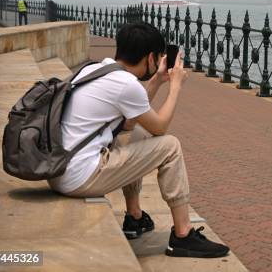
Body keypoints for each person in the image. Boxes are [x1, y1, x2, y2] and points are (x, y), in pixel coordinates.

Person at [47, 23, 230, 258]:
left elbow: (129, 123)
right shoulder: (126, 85)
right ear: (151, 57)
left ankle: (134, 217)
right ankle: (183, 235)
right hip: (79, 177)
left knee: (136, 136)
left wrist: (156, 81)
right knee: (170, 146)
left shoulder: (97, 69)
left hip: (60, 170)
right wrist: (175, 87)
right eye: (158, 57)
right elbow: (160, 127)